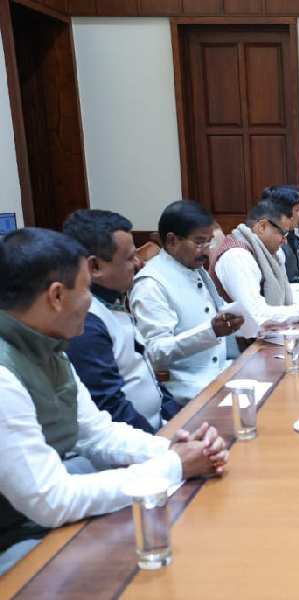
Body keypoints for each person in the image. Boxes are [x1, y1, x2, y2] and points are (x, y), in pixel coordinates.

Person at [0, 228, 228, 574]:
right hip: (17, 540)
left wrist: (172, 450)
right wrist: (174, 467)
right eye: (87, 288)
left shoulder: (48, 343)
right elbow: (50, 500)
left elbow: (96, 433)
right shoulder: (5, 374)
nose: (92, 301)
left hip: (41, 520)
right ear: (57, 296)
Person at [63, 210, 181, 433]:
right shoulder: (86, 324)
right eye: (129, 258)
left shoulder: (115, 302)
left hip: (159, 430)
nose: (140, 264)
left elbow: (150, 379)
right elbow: (110, 408)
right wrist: (163, 447)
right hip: (135, 443)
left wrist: (183, 422)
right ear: (95, 267)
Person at [131, 200, 244, 406]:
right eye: (199, 242)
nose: (207, 250)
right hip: (187, 391)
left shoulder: (194, 268)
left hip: (223, 374)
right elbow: (155, 352)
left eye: (209, 241)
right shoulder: (151, 283)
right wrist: (211, 332)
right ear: (172, 240)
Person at [208, 199, 299, 332]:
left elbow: (283, 294)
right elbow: (257, 314)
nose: (285, 241)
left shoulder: (266, 252)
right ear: (262, 227)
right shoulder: (237, 256)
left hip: (264, 337)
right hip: (243, 346)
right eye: (283, 233)